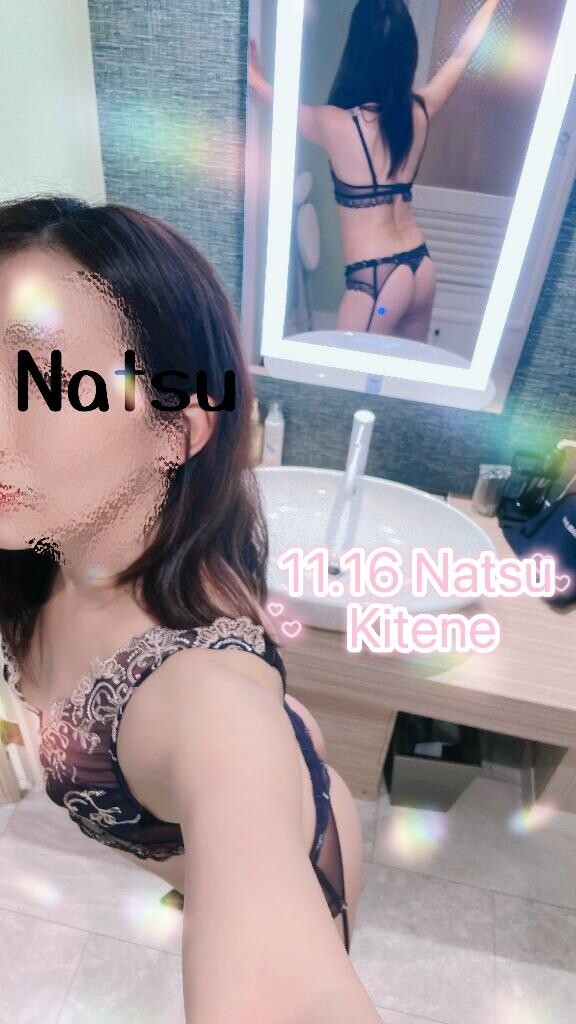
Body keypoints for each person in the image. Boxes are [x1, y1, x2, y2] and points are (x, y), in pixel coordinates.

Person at [0, 195, 380, 1023]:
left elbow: (296, 1000)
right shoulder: (39, 544)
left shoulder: (210, 705)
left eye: (44, 380)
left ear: (175, 432)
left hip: (308, 845)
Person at [249, 0, 501, 341]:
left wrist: (256, 80)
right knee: (405, 370)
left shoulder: (334, 123)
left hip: (379, 283)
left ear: (356, 52)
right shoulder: (421, 110)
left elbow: (277, 104)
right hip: (422, 271)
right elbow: (460, 56)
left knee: (346, 373)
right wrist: (491, 4)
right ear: (407, 53)